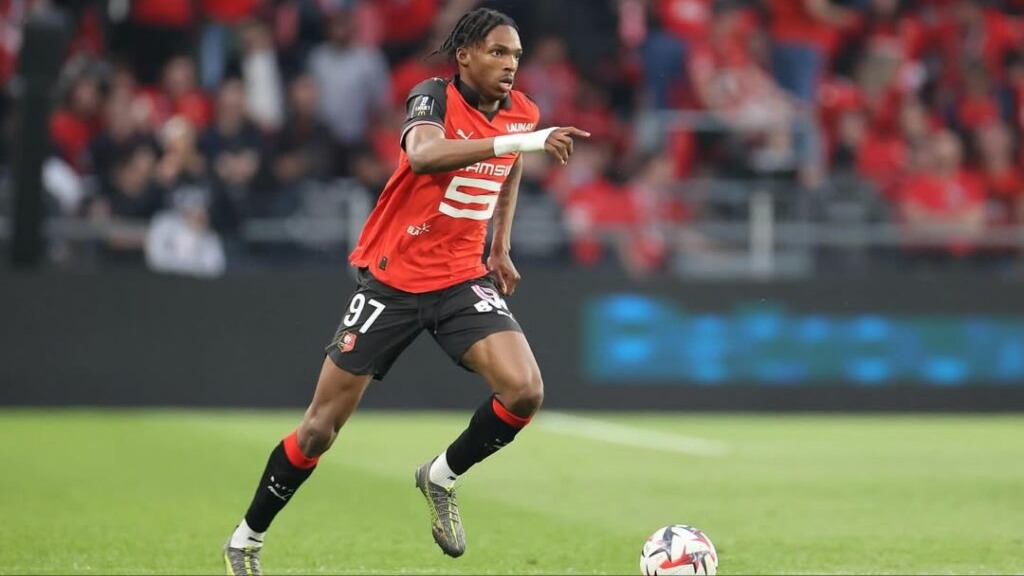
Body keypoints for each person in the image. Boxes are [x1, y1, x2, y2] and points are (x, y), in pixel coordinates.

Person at [222, 8, 589, 575]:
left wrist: (499, 245)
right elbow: (423, 155)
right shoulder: (432, 97)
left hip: (461, 277)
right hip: (393, 281)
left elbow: (512, 161)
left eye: (516, 55)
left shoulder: (522, 113)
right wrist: (524, 140)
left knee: (524, 392)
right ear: (465, 56)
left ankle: (440, 476)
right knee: (319, 429)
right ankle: (246, 539)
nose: (510, 64)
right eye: (497, 52)